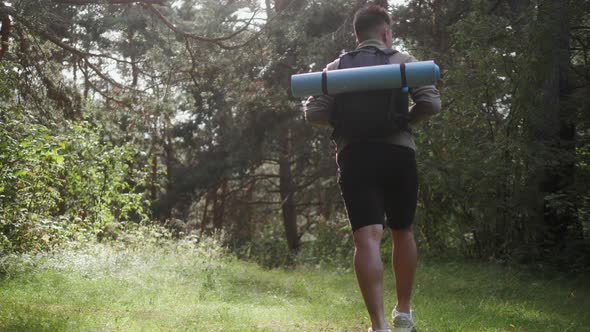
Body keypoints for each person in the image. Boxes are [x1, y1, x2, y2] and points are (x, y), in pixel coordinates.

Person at [303, 5, 441, 332]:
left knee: (366, 239)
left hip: (355, 156)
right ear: (386, 32)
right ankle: (403, 313)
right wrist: (407, 119)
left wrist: (342, 123)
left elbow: (313, 113)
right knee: (402, 230)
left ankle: (378, 325)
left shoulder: (337, 67)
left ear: (357, 35)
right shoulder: (404, 62)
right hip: (398, 153)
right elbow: (432, 104)